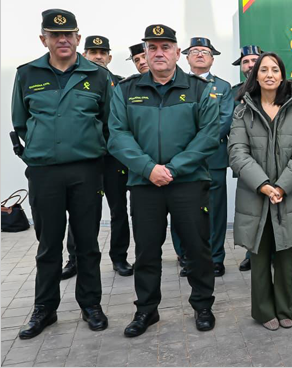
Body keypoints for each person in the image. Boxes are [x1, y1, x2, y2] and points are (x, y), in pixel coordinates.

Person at [108, 24, 219, 337]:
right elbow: (117, 136)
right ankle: (146, 310)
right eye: (152, 48)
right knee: (146, 251)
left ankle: (202, 305)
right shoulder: (127, 90)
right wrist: (148, 168)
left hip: (188, 183)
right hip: (145, 186)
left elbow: (209, 135)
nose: (159, 53)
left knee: (197, 249)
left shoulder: (198, 89)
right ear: (144, 53)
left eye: (165, 47)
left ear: (176, 52)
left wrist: (172, 168)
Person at [12, 9, 112, 339]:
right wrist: (42, 151)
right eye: (55, 35)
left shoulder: (96, 75)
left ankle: (91, 304)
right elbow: (21, 122)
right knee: (48, 245)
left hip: (86, 171)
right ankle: (45, 309)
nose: (63, 39)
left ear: (78, 38)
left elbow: (108, 120)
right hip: (44, 173)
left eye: (69, 34)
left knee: (87, 244)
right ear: (44, 39)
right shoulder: (27, 73)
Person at [228, 52, 292, 330]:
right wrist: (264, 185)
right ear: (255, 76)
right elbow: (237, 152)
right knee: (260, 254)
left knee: (285, 254)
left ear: (282, 74)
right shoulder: (243, 110)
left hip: (288, 193)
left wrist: (281, 186)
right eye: (263, 70)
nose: (269, 74)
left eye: (274, 70)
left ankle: (285, 308)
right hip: (256, 193)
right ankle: (264, 311)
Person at [59, 35, 134, 279]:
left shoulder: (121, 84)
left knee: (118, 209)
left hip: (113, 158)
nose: (98, 56)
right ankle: (74, 259)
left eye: (103, 52)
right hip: (85, 157)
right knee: (80, 210)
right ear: (84, 54)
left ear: (110, 57)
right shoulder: (74, 81)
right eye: (93, 52)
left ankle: (119, 258)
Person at [174, 37, 234, 278]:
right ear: (186, 57)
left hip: (212, 159)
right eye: (195, 51)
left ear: (212, 58)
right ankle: (187, 257)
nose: (200, 54)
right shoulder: (177, 85)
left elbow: (224, 120)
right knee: (183, 210)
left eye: (205, 52)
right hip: (181, 160)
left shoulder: (223, 87)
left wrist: (197, 147)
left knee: (216, 211)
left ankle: (216, 257)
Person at [230, 44, 263, 272]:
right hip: (247, 160)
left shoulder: (277, 88)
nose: (250, 65)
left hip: (273, 159)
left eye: (254, 60)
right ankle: (252, 253)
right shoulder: (234, 92)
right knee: (250, 211)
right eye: (246, 62)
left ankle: (272, 253)